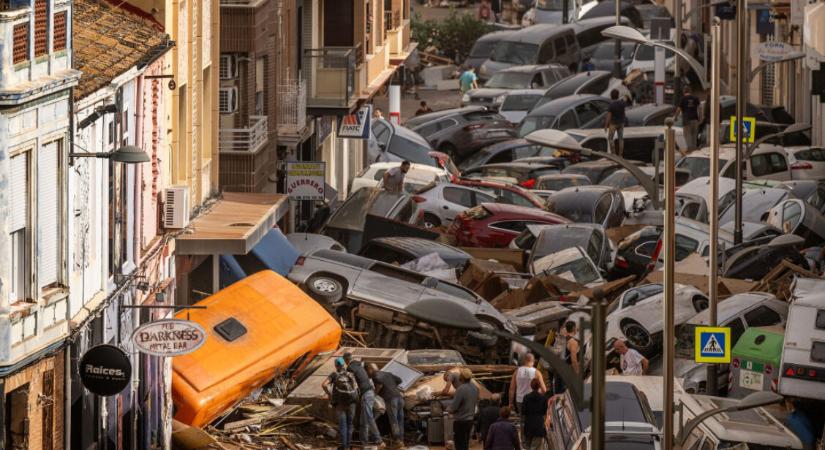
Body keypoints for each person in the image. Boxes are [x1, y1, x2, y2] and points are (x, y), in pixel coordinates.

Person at [343, 352, 382, 447]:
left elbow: (351, 383)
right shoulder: (359, 365)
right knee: (363, 419)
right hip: (369, 392)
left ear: (346, 360)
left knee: (368, 417)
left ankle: (378, 439)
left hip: (366, 394)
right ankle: (363, 441)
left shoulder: (350, 368)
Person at [322, 358, 359, 450]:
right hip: (352, 402)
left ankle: (343, 446)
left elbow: (324, 384)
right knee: (350, 424)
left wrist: (330, 395)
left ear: (336, 366)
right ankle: (349, 445)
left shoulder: (334, 375)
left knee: (343, 424)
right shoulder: (350, 374)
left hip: (340, 403)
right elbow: (356, 388)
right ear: (344, 365)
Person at [368, 363, 405, 446]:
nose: (368, 373)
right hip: (399, 397)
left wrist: (374, 394)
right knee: (400, 419)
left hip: (390, 399)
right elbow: (399, 380)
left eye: (368, 370)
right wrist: (392, 386)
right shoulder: (387, 373)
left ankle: (397, 440)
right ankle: (401, 440)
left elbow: (379, 385)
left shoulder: (375, 375)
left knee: (394, 420)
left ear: (371, 369)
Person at [449, 368, 479, 450]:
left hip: (460, 421)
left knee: (459, 445)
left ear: (462, 377)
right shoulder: (475, 388)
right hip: (470, 420)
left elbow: (454, 407)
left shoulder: (460, 389)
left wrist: (449, 409)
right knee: (465, 443)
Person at [521, 378, 548, 450]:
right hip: (539, 424)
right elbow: (544, 412)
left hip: (528, 424)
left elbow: (523, 411)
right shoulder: (543, 398)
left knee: (528, 446)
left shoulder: (526, 397)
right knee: (536, 447)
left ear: (531, 386)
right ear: (539, 386)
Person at [675, 87, 701, 151]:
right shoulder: (696, 98)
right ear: (690, 91)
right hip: (695, 119)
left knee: (687, 135)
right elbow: (700, 108)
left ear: (684, 92)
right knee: (694, 135)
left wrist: (675, 117)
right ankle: (694, 149)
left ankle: (690, 150)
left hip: (687, 120)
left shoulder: (683, 99)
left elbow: (679, 109)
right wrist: (700, 117)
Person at [604, 89, 627, 156]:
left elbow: (609, 116)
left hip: (613, 124)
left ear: (611, 96)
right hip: (621, 123)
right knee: (620, 139)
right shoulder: (622, 103)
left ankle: (613, 154)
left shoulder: (611, 105)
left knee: (610, 139)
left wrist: (606, 125)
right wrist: (623, 120)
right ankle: (620, 155)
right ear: (618, 95)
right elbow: (624, 113)